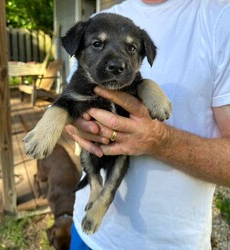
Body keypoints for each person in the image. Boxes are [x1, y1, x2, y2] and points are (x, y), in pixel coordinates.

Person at [65, 0, 230, 249]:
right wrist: (74, 123)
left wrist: (160, 141)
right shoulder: (102, 17)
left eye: (131, 49)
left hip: (172, 242)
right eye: (98, 44)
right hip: (88, 233)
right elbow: (70, 102)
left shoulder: (220, 19)